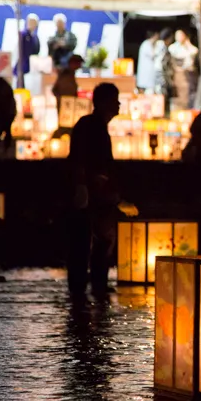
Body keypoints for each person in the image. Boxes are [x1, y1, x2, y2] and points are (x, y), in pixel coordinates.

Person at [68, 83, 123, 296]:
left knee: (94, 239)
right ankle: (87, 286)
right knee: (90, 239)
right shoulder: (91, 126)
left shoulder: (94, 126)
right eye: (114, 100)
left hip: (95, 191)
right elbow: (82, 160)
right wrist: (83, 186)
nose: (118, 104)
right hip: (92, 192)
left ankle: (89, 285)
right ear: (102, 103)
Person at [168, 29, 198, 109]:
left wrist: (187, 44)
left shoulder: (190, 48)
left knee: (186, 93)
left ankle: (186, 108)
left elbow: (193, 54)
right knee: (176, 94)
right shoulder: (172, 48)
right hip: (175, 74)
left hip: (187, 74)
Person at [53, 54, 84, 119]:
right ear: (72, 63)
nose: (80, 65)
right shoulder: (65, 74)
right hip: (65, 104)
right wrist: (60, 98)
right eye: (78, 63)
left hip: (69, 103)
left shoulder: (71, 73)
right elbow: (55, 89)